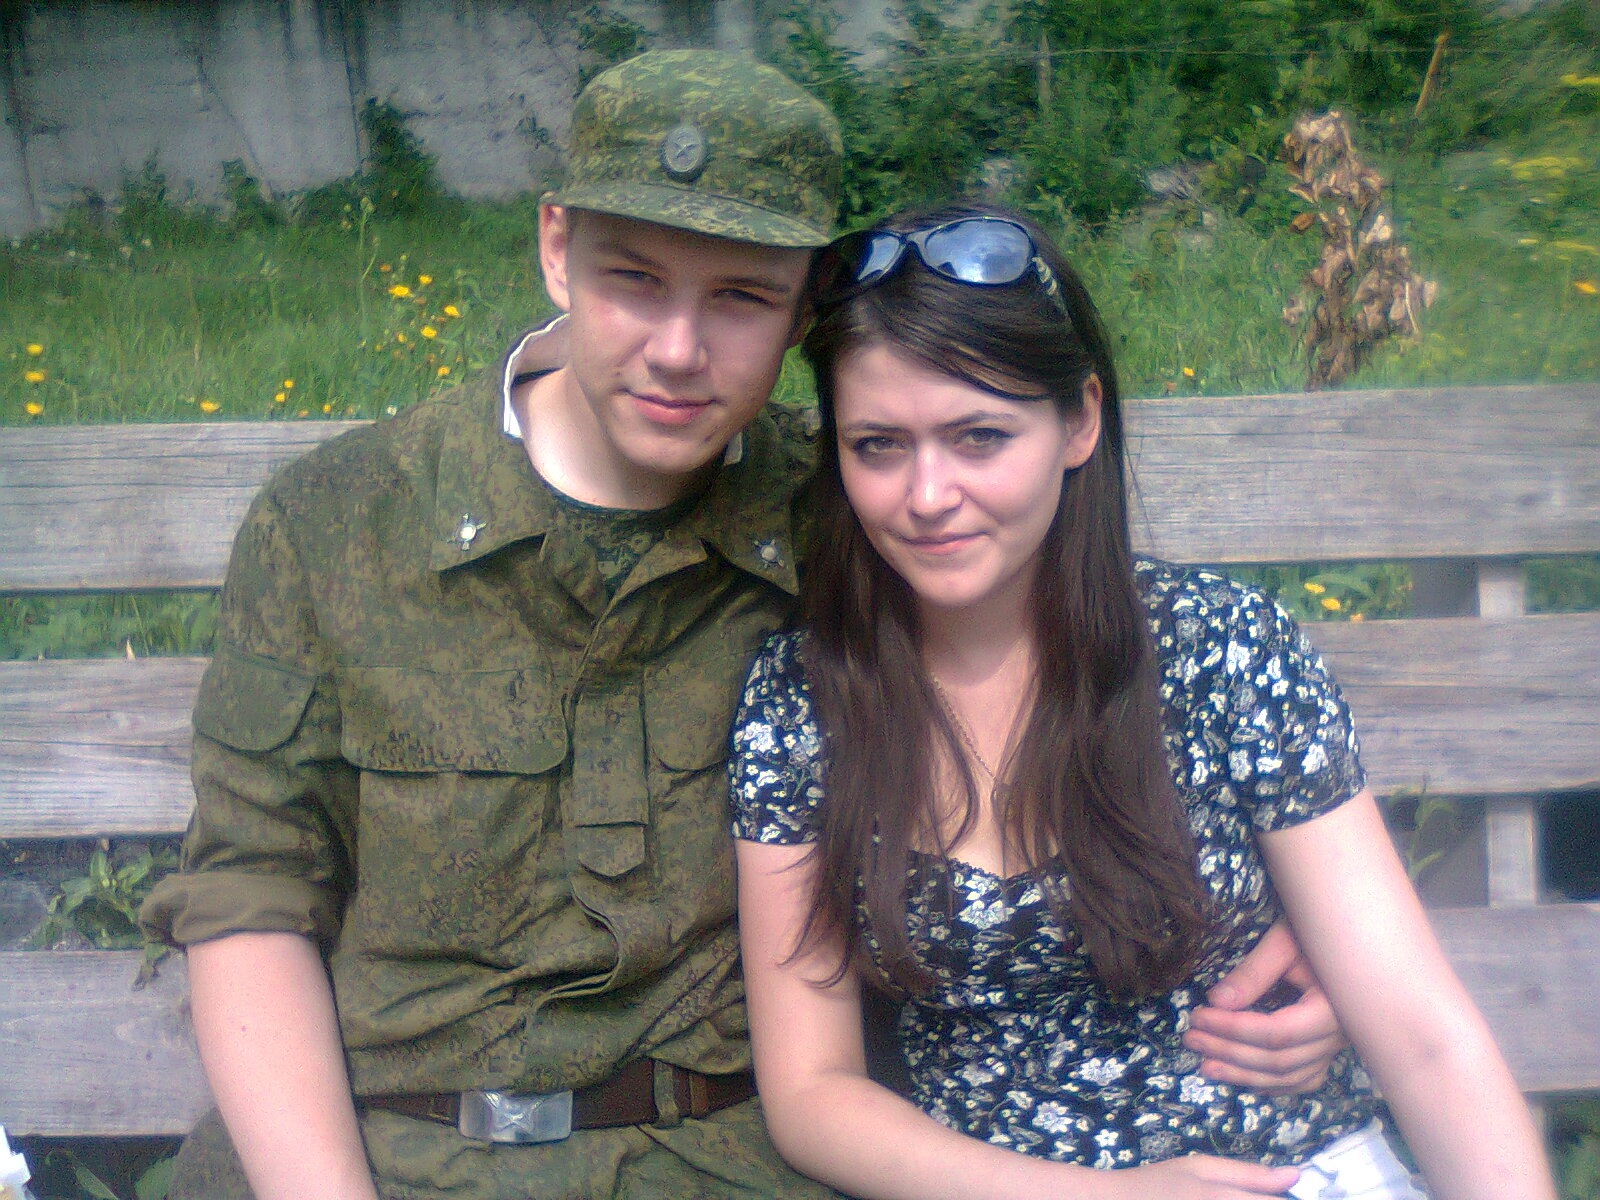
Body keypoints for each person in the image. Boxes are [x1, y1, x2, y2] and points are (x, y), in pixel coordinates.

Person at [140, 50, 1347, 1200]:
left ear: (804, 306)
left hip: (729, 1160)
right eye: (632, 279)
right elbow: (251, 896)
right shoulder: (337, 524)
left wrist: (1302, 930)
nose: (678, 351)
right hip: (394, 1157)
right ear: (557, 247)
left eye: (741, 297)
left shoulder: (861, 516)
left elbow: (1095, 673)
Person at [730, 201, 1557, 1200]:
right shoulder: (804, 701)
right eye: (878, 445)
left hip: (1295, 1171)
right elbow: (812, 1091)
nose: (928, 495)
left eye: (980, 437)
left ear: (1079, 420)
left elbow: (1421, 1034)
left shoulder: (1223, 652)